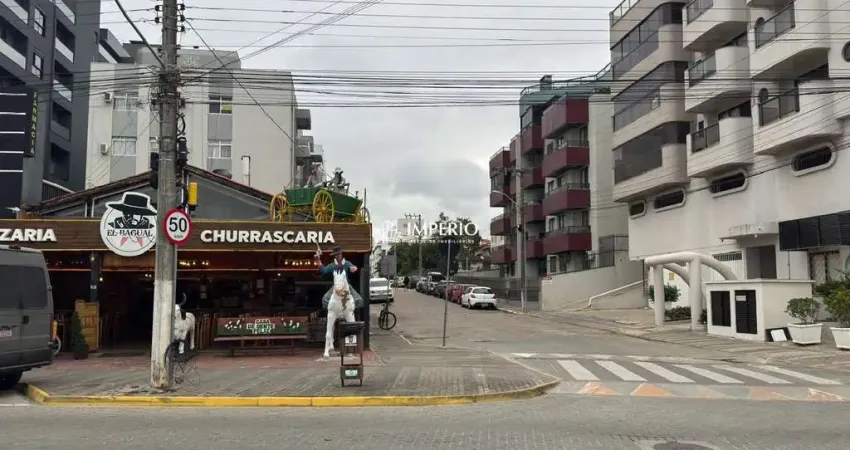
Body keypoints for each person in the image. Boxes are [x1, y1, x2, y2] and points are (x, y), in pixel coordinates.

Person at [315, 245, 363, 309]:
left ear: (341, 254)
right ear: (334, 256)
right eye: (336, 255)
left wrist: (354, 268)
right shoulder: (332, 265)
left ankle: (350, 310)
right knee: (325, 300)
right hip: (336, 286)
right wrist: (318, 261)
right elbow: (324, 270)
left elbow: (353, 267)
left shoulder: (346, 263)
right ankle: (331, 312)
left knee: (359, 300)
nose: (338, 256)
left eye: (339, 254)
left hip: (346, 285)